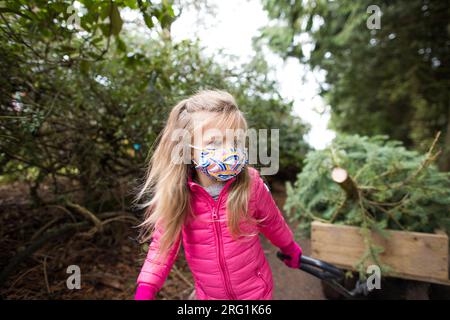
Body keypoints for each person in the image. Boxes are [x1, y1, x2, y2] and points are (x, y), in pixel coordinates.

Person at [133, 89, 302, 300]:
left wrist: (289, 246)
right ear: (187, 148)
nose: (229, 150)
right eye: (214, 142)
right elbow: (162, 246)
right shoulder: (179, 194)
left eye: (235, 141)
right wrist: (147, 288)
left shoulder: (251, 183)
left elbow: (272, 221)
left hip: (255, 294)